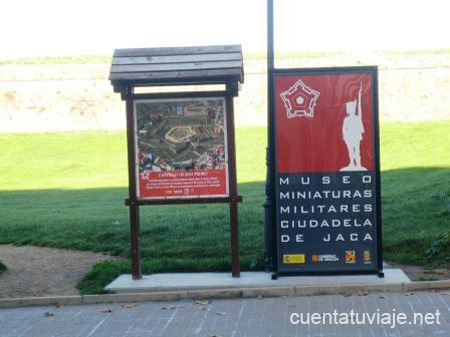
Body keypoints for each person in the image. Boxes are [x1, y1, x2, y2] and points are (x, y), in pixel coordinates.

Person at [341, 83, 367, 171]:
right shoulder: (346, 119)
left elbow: (360, 108)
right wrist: (345, 136)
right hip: (349, 137)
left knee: (357, 150)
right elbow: (344, 129)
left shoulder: (356, 118)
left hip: (355, 137)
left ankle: (358, 164)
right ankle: (352, 163)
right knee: (351, 151)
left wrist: (359, 95)